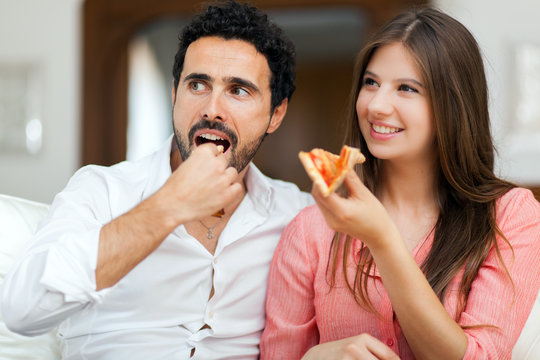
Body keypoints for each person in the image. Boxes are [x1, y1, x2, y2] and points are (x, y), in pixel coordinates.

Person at [1, 1, 313, 359]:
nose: (212, 109)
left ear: (276, 114)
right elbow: (21, 311)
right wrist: (169, 206)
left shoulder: (298, 215)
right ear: (174, 94)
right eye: (197, 84)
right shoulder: (100, 191)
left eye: (238, 91)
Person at [260, 6, 540, 360]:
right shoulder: (309, 233)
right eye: (370, 83)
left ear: (452, 104)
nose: (376, 105)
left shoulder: (509, 216)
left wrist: (382, 239)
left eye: (406, 88)